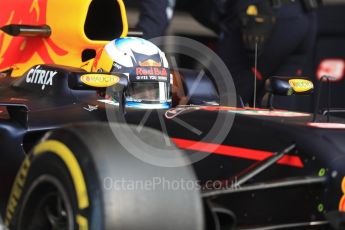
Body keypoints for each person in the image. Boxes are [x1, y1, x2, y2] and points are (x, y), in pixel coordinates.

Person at [136, 0, 320, 109]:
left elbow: (154, 18)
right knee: (279, 109)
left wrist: (137, 57)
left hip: (261, 20)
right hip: (304, 17)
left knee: (208, 103)